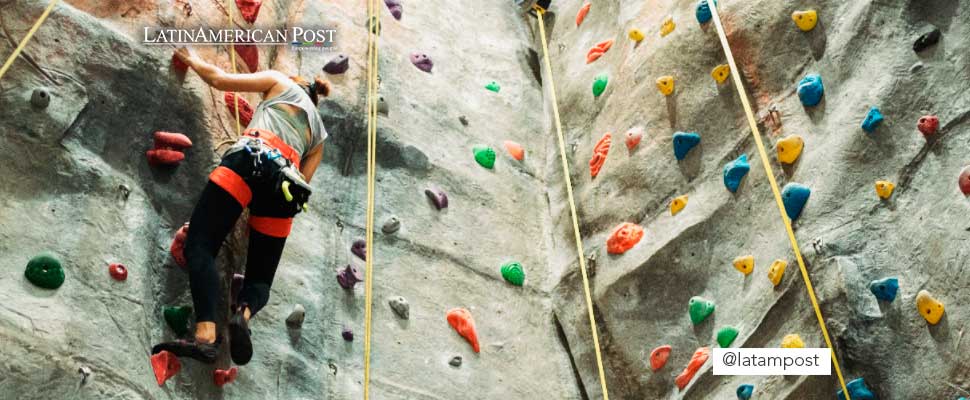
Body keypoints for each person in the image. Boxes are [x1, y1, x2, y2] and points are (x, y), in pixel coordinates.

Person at [152, 47, 329, 365]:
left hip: (253, 158)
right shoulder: (319, 137)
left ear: (296, 82)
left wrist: (192, 59)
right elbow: (304, 179)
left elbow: (219, 80)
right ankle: (242, 315)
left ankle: (206, 336)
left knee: (201, 245)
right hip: (287, 188)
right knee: (260, 280)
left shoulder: (279, 82)